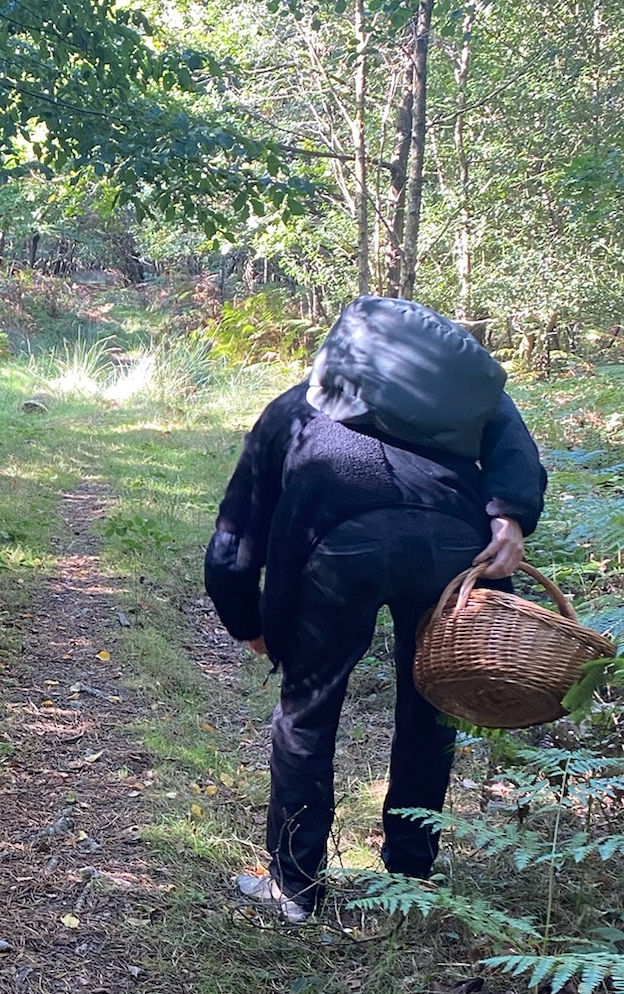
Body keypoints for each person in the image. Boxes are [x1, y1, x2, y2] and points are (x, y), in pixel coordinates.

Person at [204, 295, 547, 924]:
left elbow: (235, 534)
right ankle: (409, 878)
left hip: (336, 548)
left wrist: (246, 620)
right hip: (449, 544)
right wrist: (510, 514)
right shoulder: (467, 401)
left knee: (308, 711)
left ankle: (295, 885)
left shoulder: (294, 406)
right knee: (432, 707)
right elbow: (517, 457)